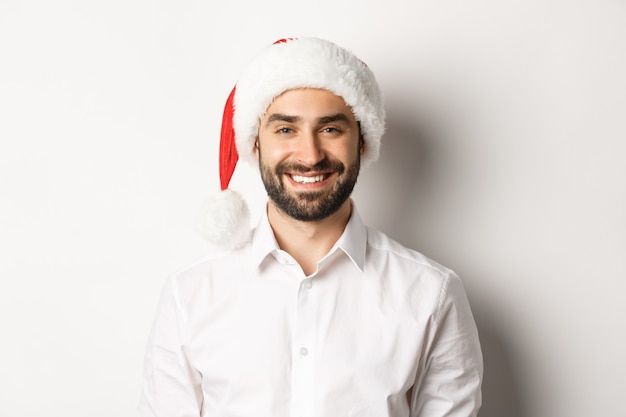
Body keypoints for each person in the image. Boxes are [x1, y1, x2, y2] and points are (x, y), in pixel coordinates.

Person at [138, 37, 483, 417]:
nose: (310, 155)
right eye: (286, 130)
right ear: (254, 145)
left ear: (363, 143)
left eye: (330, 129)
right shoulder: (189, 297)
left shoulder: (432, 295)